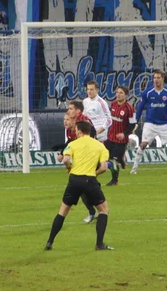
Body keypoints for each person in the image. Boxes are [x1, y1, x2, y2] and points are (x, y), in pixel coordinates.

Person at [45, 121, 113, 251]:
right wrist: (94, 173)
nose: (75, 132)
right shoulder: (100, 146)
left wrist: (69, 167)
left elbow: (65, 160)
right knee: (104, 210)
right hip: (89, 180)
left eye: (76, 130)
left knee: (63, 211)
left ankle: (50, 242)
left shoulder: (73, 144)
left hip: (74, 180)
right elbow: (104, 167)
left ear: (80, 131)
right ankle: (99, 244)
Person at [130, 70, 167, 174]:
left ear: (163, 79)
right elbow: (140, 107)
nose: (156, 80)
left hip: (165, 123)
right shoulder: (147, 92)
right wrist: (136, 122)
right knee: (143, 144)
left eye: (158, 78)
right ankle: (134, 168)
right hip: (150, 123)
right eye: (154, 78)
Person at [65, 100, 99, 223]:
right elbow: (71, 142)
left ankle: (98, 210)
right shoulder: (70, 123)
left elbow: (93, 134)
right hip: (79, 159)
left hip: (89, 158)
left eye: (71, 108)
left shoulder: (84, 121)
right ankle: (95, 210)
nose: (69, 111)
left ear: (78, 111)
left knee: (84, 187)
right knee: (83, 188)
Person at [105, 86, 136, 186]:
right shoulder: (113, 104)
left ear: (126, 95)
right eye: (117, 92)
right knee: (107, 159)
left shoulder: (129, 109)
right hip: (110, 137)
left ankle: (115, 180)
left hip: (121, 140)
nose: (118, 94)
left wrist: (124, 134)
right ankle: (121, 160)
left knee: (113, 161)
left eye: (121, 93)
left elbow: (132, 124)